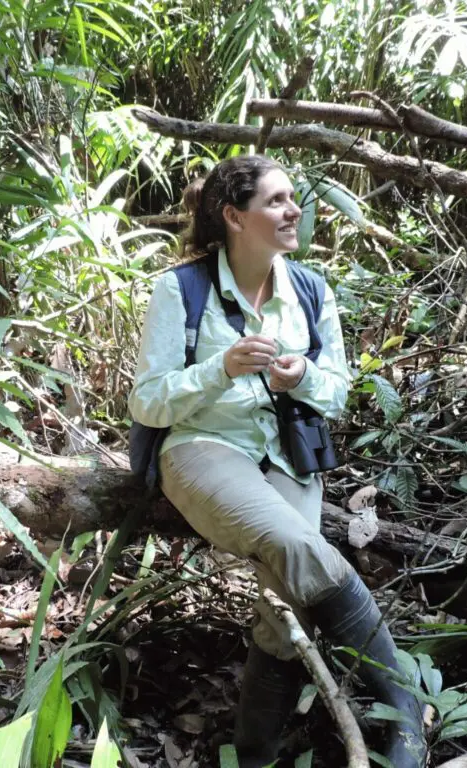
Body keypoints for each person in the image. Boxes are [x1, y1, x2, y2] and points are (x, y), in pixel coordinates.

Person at [128, 155, 426, 768]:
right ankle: (408, 709)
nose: (294, 211)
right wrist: (222, 367)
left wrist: (302, 376)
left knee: (282, 600)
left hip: (288, 454)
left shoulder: (311, 290)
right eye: (276, 201)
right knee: (300, 547)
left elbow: (338, 391)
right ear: (234, 217)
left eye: (293, 199)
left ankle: (254, 753)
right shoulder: (180, 288)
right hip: (202, 446)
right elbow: (148, 401)